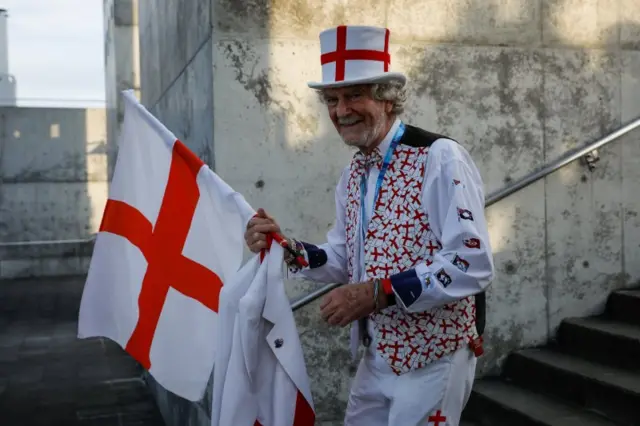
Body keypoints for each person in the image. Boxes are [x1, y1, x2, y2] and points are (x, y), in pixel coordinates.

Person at [244, 25, 495, 426]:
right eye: (332, 99)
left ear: (388, 98)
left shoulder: (440, 157)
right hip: (377, 357)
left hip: (434, 358)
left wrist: (379, 292)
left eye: (354, 95)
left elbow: (472, 261)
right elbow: (343, 259)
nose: (341, 111)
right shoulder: (352, 174)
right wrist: (283, 246)